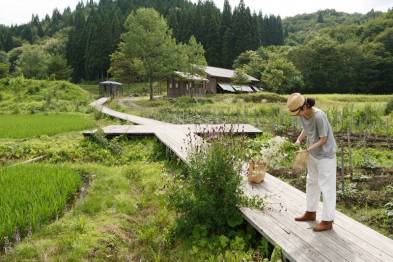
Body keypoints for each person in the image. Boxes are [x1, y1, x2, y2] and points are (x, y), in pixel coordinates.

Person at [287, 93, 337, 232]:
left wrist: (307, 149)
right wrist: (298, 140)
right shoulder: (303, 115)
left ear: (304, 107)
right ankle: (310, 212)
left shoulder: (319, 116)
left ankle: (327, 220)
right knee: (311, 182)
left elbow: (323, 139)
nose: (298, 116)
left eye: (298, 113)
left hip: (326, 155)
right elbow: (306, 129)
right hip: (313, 154)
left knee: (327, 187)